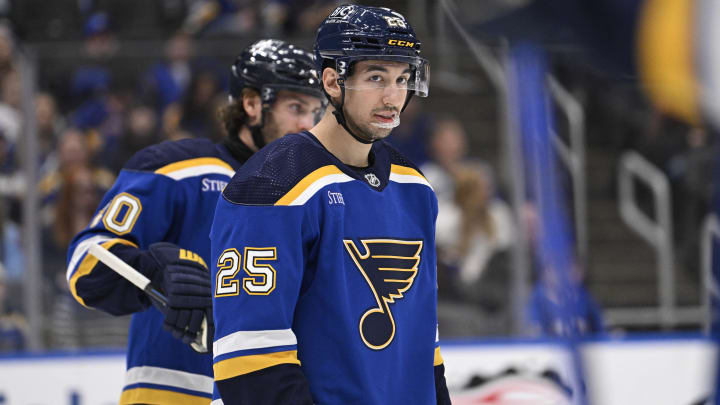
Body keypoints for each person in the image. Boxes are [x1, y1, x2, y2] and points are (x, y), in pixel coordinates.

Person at [210, 5, 451, 404]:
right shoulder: (272, 185)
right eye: (376, 78)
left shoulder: (415, 187)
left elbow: (423, 339)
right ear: (333, 82)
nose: (393, 97)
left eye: (402, 79)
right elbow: (249, 359)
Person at [65, 39, 325, 404]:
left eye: (315, 112)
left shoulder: (313, 195)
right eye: (296, 107)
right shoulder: (178, 170)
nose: (307, 125)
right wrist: (153, 273)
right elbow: (86, 260)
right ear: (252, 104)